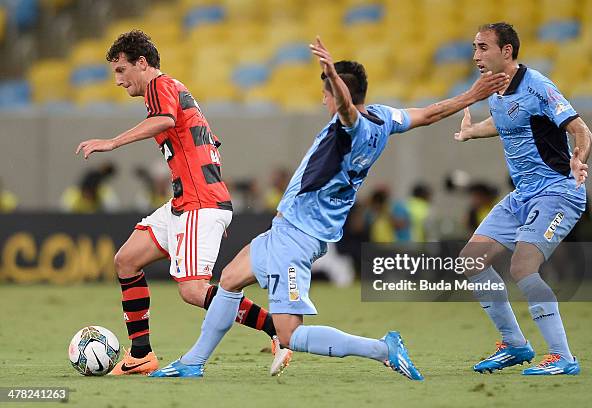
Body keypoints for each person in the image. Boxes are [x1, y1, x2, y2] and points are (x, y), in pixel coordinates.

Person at [150, 36, 509, 379]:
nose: (323, 101)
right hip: (288, 231)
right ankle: (193, 362)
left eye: (326, 94)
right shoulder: (383, 118)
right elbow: (429, 113)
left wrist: (333, 79)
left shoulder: (352, 128)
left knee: (290, 336)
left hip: (298, 239)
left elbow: (348, 112)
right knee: (228, 280)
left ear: (339, 96)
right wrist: (470, 96)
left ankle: (382, 349)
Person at [75, 30, 287, 375]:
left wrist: (113, 142)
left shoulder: (161, 87)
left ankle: (277, 328)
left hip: (198, 204)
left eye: (120, 70)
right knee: (126, 260)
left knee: (192, 290)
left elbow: (166, 121)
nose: (117, 80)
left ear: (141, 64)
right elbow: (200, 138)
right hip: (186, 202)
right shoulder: (173, 90)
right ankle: (141, 354)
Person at [454, 23, 592, 376]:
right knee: (469, 262)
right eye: (474, 47)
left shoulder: (539, 86)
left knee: (522, 267)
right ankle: (515, 345)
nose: (475, 56)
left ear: (507, 52)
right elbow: (505, 123)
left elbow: (580, 130)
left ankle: (563, 357)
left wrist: (579, 157)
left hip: (558, 192)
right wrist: (472, 130)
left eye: (483, 47)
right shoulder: (495, 90)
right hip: (523, 196)